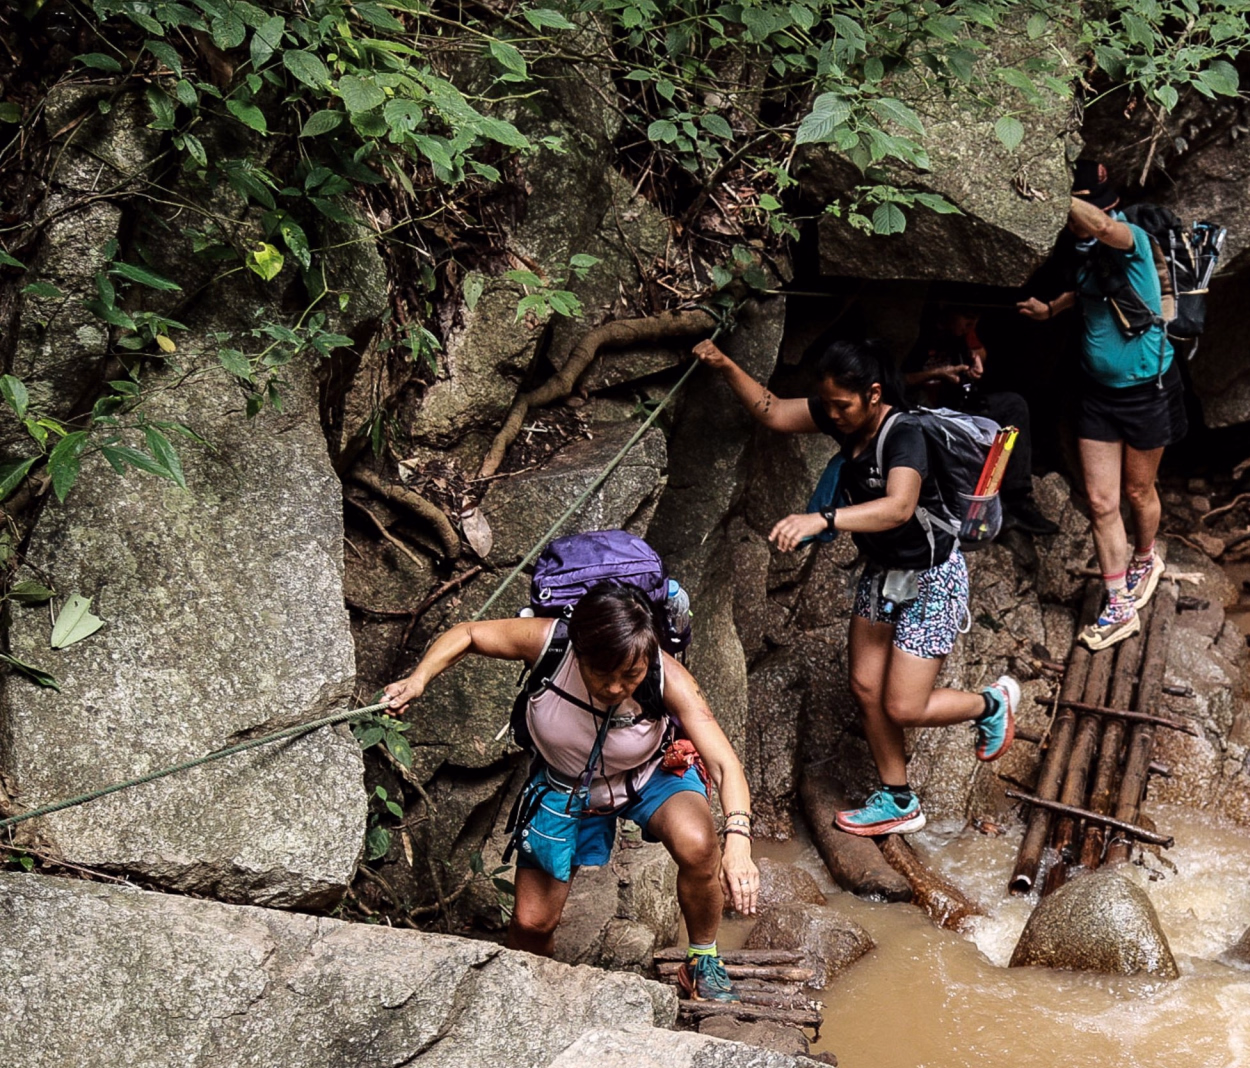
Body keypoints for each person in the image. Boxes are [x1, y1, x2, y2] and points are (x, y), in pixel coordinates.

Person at [692, 335, 1021, 837]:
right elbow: (775, 412)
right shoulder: (841, 413)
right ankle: (899, 798)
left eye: (841, 404)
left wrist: (822, 520)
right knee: (866, 686)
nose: (832, 415)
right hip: (883, 574)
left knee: (903, 706)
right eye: (826, 404)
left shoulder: (904, 432)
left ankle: (990, 704)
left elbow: (899, 506)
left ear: (872, 393)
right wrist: (723, 363)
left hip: (932, 577)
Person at [383, 585, 758, 1001]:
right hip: (567, 784)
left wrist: (738, 841)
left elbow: (725, 764)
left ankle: (702, 958)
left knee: (700, 842)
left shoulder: (667, 675)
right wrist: (419, 679)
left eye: (630, 675)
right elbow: (470, 634)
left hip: (648, 773)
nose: (617, 688)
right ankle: (536, 994)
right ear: (579, 652)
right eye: (604, 674)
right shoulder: (551, 643)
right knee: (531, 924)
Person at [1016, 159, 1180, 651]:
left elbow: (1106, 226)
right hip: (1095, 395)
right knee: (1102, 502)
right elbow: (1085, 290)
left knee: (1137, 493)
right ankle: (1118, 605)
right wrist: (1050, 309)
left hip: (1146, 392)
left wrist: (1053, 190)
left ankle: (1146, 556)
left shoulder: (1132, 239)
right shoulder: (1086, 253)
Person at [904, 302, 1056, 534]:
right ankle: (978, 507)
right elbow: (895, 379)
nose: (970, 325)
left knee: (1013, 405)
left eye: (975, 320)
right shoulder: (917, 330)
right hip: (925, 416)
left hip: (960, 409)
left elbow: (978, 350)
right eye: (966, 318)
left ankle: (1017, 497)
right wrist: (936, 374)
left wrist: (977, 358)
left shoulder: (964, 333)